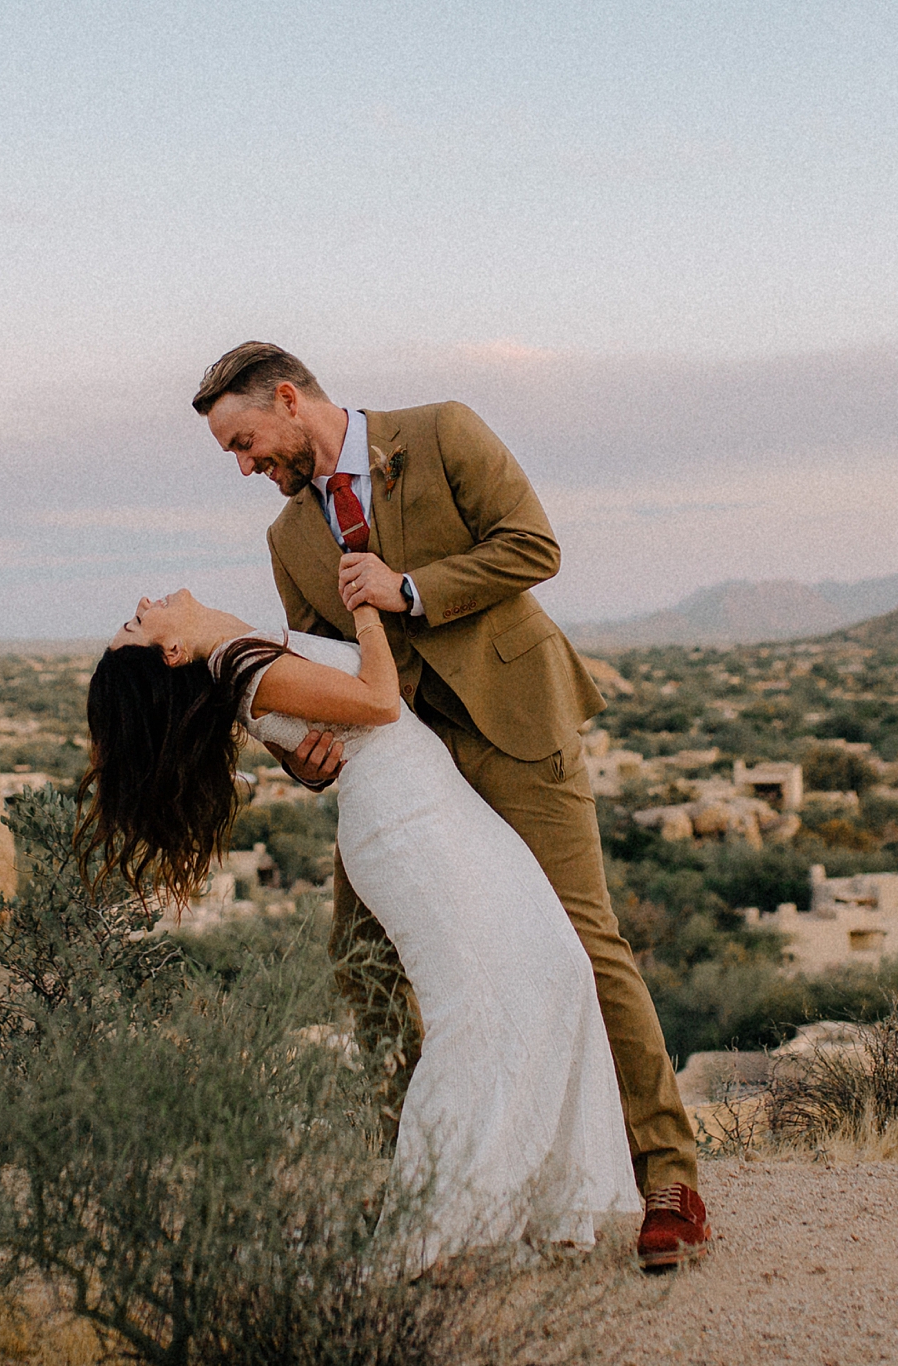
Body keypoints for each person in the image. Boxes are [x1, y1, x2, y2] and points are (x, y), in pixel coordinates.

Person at [192, 341, 711, 1268]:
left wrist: (410, 590)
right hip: (404, 771)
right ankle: (420, 1182)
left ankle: (667, 1176)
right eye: (232, 455)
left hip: (515, 725)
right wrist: (307, 763)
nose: (244, 466)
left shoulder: (439, 433)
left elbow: (533, 545)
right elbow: (322, 675)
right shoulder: (288, 542)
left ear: (286, 398)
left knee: (585, 942)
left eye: (245, 441)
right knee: (363, 962)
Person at [82, 588, 637, 1267]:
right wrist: (368, 610)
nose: (143, 601)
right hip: (410, 827)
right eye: (138, 622)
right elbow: (379, 702)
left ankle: (525, 1203)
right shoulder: (240, 662)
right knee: (477, 1012)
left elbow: (324, 722)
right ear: (172, 652)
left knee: (556, 966)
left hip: (428, 808)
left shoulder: (238, 655)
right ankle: (440, 1227)